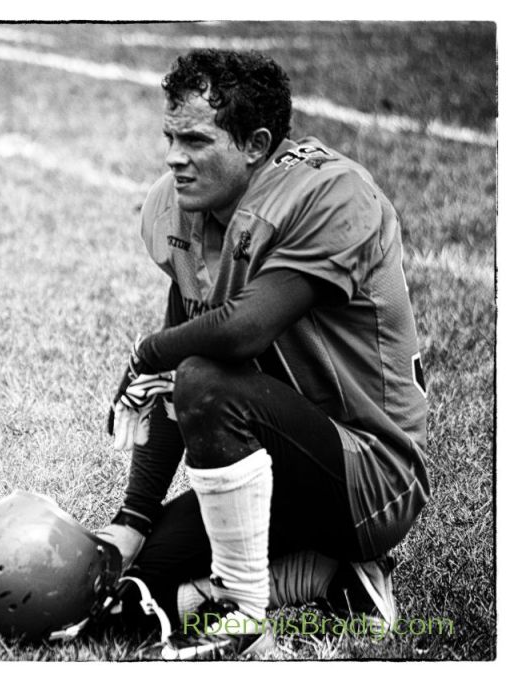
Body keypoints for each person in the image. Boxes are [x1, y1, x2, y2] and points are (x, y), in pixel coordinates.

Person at [94, 49, 430, 660]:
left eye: (195, 139)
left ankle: (244, 612)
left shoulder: (331, 193)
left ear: (256, 143)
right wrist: (132, 520)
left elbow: (239, 335)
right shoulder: (182, 209)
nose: (174, 157)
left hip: (367, 472)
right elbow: (179, 374)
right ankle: (336, 577)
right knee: (132, 590)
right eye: (170, 136)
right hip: (264, 460)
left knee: (206, 380)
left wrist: (147, 352)